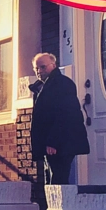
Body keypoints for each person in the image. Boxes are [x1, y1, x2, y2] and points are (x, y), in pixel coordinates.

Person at [29, 53, 89, 185]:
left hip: (60, 142)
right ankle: (52, 205)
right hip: (52, 142)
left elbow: (65, 114)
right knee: (52, 177)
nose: (39, 71)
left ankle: (61, 205)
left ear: (53, 65)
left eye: (43, 67)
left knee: (58, 178)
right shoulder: (44, 86)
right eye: (36, 68)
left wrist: (53, 141)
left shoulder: (62, 84)